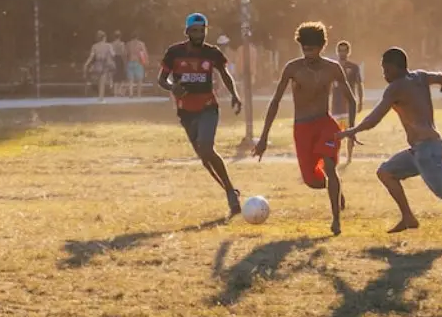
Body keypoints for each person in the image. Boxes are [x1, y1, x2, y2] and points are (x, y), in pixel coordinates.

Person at [337, 47, 442, 244]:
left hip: (427, 150)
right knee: (385, 172)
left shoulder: (395, 88)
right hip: (421, 149)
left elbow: (375, 118)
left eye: (387, 70)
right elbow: (441, 77)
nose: (384, 74)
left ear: (398, 68)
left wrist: (351, 131)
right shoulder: (420, 77)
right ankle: (408, 217)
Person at [252, 22, 356, 235]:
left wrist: (352, 130)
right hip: (302, 127)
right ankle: (336, 192)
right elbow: (275, 102)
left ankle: (336, 220)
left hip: (325, 124)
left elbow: (351, 100)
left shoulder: (332, 68)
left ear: (322, 46)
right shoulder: (293, 68)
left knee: (330, 166)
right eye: (304, 49)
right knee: (312, 181)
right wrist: (263, 138)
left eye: (312, 49)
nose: (308, 53)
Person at [155, 13, 244, 216]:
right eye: (194, 30)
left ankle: (230, 192)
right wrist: (172, 87)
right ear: (187, 32)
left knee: (206, 146)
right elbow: (161, 79)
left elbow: (225, 74)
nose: (199, 34)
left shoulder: (212, 53)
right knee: (204, 157)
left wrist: (235, 96)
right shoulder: (174, 52)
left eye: (202, 30)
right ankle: (229, 191)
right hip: (185, 111)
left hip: (207, 106)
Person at [334, 40, 364, 163]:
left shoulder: (354, 67)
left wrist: (360, 101)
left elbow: (359, 84)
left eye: (344, 50)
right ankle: (334, 157)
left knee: (350, 131)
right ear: (337, 51)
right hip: (335, 104)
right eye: (340, 50)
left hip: (349, 104)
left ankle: (349, 157)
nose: (342, 53)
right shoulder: (333, 66)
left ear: (348, 51)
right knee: (335, 132)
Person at [84, 30, 115, 101]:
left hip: (97, 64)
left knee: (99, 81)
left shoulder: (94, 46)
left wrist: (86, 63)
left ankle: (99, 96)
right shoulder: (108, 45)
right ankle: (101, 97)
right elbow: (113, 54)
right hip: (105, 64)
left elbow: (91, 56)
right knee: (102, 81)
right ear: (104, 37)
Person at [125, 32, 149, 98]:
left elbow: (126, 54)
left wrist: (126, 62)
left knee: (130, 80)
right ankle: (138, 94)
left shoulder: (128, 44)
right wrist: (146, 61)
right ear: (137, 37)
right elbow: (144, 53)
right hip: (138, 62)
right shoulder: (141, 44)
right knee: (139, 79)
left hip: (130, 62)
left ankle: (131, 93)